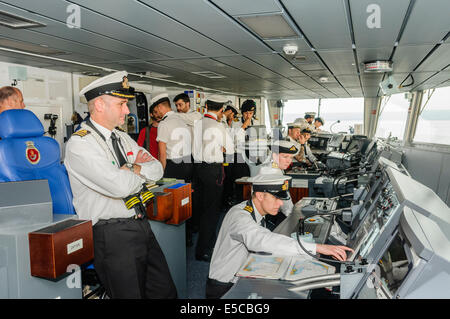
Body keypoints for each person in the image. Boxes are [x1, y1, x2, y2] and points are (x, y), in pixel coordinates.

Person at [64, 71, 177, 299]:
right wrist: (133, 172)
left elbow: (157, 169)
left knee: (165, 293)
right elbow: (120, 187)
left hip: (141, 225)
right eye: (121, 104)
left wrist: (132, 169)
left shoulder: (122, 137)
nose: (127, 111)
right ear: (99, 105)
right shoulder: (81, 144)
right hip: (112, 234)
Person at [206, 168, 353, 299]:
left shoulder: (256, 211)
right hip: (225, 288)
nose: (281, 203)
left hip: (246, 272)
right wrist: (317, 248)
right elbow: (262, 240)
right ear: (260, 195)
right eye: (276, 198)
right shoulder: (239, 216)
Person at [192, 95, 234, 262]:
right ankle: (204, 250)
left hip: (198, 168)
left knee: (202, 209)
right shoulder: (219, 127)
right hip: (213, 171)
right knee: (212, 211)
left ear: (206, 106)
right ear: (221, 110)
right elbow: (230, 149)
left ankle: (209, 243)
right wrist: (221, 148)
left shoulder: (197, 124)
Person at [152, 93, 192, 182]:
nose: (156, 114)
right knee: (185, 193)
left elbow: (162, 154)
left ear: (160, 107)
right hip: (188, 163)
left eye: (156, 111)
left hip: (173, 166)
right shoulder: (182, 119)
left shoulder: (164, 123)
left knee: (172, 194)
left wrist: (160, 174)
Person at [230, 99, 256, 203]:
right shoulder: (236, 124)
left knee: (252, 180)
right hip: (240, 156)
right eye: (246, 113)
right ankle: (240, 202)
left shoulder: (257, 122)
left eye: (251, 113)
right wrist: (244, 125)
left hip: (252, 155)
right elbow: (236, 140)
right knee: (241, 182)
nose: (248, 116)